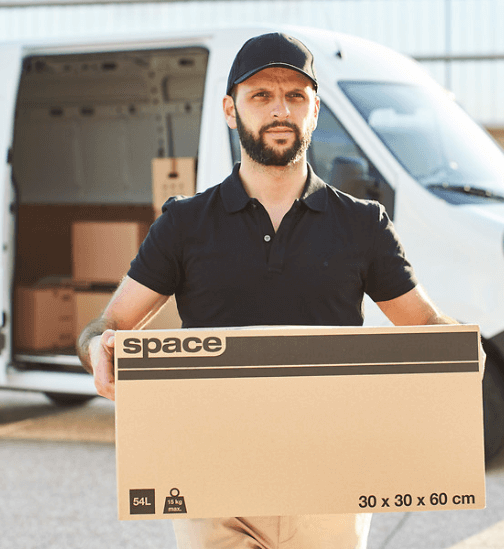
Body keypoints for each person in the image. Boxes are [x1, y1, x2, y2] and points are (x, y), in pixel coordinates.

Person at [78, 32, 459, 549]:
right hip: (213, 486)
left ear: (315, 111)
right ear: (231, 111)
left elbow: (425, 326)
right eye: (261, 95)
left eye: (295, 95)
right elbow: (108, 325)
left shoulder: (363, 224)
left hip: (331, 483)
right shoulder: (184, 224)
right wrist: (96, 349)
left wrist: (460, 348)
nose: (280, 109)